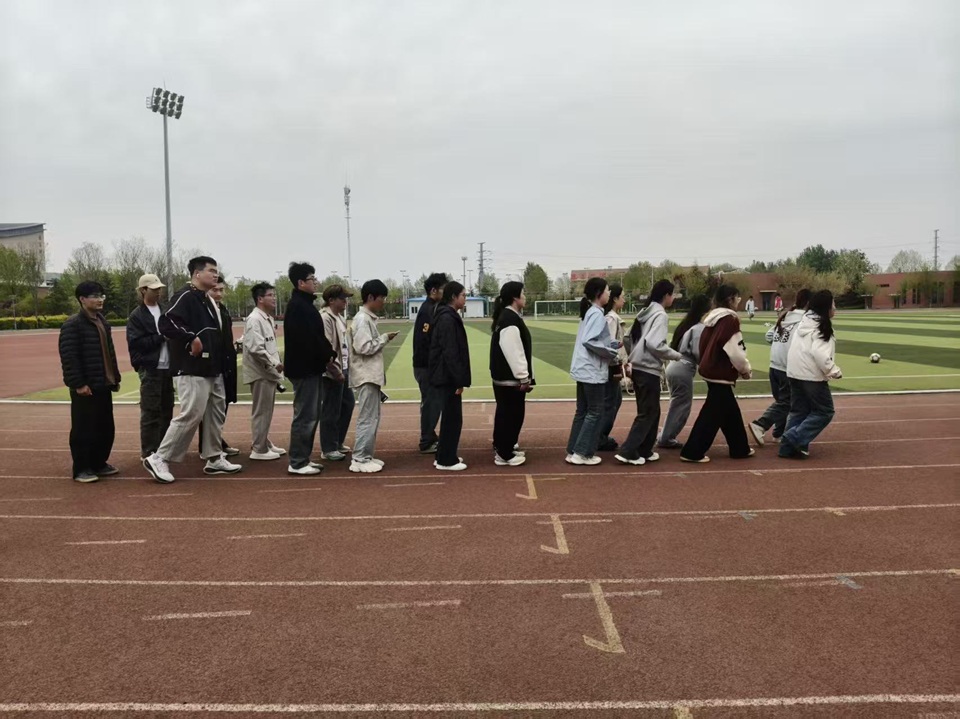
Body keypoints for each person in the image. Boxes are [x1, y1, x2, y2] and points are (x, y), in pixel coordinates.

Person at [142, 256, 241, 483]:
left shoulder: (207, 299)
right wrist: (190, 338)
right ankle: (159, 458)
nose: (215, 274)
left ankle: (214, 457)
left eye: (216, 271)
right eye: (211, 270)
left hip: (213, 368)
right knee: (191, 414)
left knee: (215, 413)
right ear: (197, 273)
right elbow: (167, 322)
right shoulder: (185, 296)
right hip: (192, 368)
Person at [679, 284, 754, 463]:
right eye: (737, 297)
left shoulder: (711, 319)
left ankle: (740, 447)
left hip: (710, 368)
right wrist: (745, 369)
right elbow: (736, 350)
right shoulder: (730, 320)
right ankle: (692, 451)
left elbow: (703, 344)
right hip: (720, 371)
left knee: (729, 410)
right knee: (712, 413)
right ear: (730, 299)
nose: (739, 301)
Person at [614, 280, 683, 465]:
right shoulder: (660, 315)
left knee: (652, 410)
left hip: (638, 367)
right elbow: (655, 344)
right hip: (648, 369)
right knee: (648, 412)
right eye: (673, 294)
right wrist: (676, 355)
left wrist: (634, 354)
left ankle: (645, 449)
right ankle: (628, 450)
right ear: (666, 295)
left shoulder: (644, 313)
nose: (674, 298)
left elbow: (627, 337)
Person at [59, 280, 121, 482]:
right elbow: (69, 357)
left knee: (105, 428)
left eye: (101, 295)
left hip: (103, 383)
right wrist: (78, 383)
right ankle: (82, 468)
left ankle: (98, 463)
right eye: (94, 296)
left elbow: (109, 353)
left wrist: (114, 377)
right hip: (86, 385)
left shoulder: (103, 322)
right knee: (84, 429)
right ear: (82, 299)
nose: (100, 299)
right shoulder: (73, 325)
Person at [284, 262, 338, 476]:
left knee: (311, 415)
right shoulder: (298, 307)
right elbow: (309, 340)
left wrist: (327, 353)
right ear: (300, 282)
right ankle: (297, 462)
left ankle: (303, 458)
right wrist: (327, 354)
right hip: (303, 369)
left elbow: (316, 337)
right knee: (305, 416)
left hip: (311, 368)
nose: (316, 282)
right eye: (312, 279)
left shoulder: (305, 305)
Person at [779, 290, 843, 459]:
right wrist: (834, 371)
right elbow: (820, 354)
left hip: (794, 372)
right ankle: (793, 438)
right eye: (833, 304)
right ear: (826, 307)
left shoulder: (804, 322)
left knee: (798, 411)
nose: (835, 308)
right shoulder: (822, 327)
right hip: (811, 376)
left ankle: (786, 448)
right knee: (824, 411)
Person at [565, 278, 619, 466]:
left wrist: (612, 344)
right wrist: (611, 352)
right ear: (598, 293)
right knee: (595, 412)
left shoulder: (590, 312)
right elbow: (590, 340)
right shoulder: (596, 314)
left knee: (582, 411)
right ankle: (582, 453)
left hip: (583, 369)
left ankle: (573, 450)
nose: (609, 294)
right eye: (607, 290)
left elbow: (594, 340)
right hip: (592, 371)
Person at [748, 289, 810, 446]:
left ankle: (778, 433)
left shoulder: (786, 316)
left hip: (774, 366)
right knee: (787, 403)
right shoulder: (804, 320)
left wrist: (780, 344)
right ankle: (760, 425)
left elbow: (769, 336)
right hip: (787, 368)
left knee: (782, 403)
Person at [349, 279, 399, 473]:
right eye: (382, 298)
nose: (383, 302)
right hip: (366, 375)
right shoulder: (363, 319)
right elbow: (363, 347)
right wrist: (384, 338)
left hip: (370, 375)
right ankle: (360, 458)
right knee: (367, 418)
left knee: (372, 417)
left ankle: (366, 455)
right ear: (370, 297)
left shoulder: (367, 319)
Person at [126, 273, 174, 460]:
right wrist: (161, 337)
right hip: (150, 368)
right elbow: (136, 343)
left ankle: (163, 448)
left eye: (159, 289)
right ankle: (149, 451)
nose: (158, 292)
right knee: (150, 411)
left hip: (168, 368)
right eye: (154, 289)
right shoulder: (137, 316)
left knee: (167, 410)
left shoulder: (165, 310)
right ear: (143, 290)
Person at [657, 293, 711, 449]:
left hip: (675, 366)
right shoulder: (698, 328)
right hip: (683, 368)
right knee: (682, 407)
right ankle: (666, 438)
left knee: (677, 404)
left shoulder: (686, 325)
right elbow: (698, 353)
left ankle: (665, 436)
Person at [489, 281, 533, 467]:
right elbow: (514, 351)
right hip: (509, 379)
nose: (525, 296)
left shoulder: (507, 317)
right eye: (523, 293)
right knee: (511, 415)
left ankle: (504, 447)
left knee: (507, 413)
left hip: (505, 378)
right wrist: (523, 376)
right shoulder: (509, 320)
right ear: (515, 297)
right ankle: (504, 453)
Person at [430, 281, 471, 471]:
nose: (465, 298)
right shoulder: (447, 318)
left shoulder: (447, 316)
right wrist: (458, 380)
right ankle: (446, 460)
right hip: (447, 377)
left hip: (445, 375)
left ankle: (443, 455)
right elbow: (450, 352)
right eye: (463, 295)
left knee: (450, 417)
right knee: (452, 418)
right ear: (454, 297)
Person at [242, 282, 287, 460]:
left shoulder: (266, 318)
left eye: (274, 295)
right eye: (270, 295)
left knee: (266, 410)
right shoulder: (255, 319)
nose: (274, 298)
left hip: (267, 372)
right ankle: (258, 449)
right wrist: (275, 364)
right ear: (260, 299)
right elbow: (256, 348)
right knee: (261, 411)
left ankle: (263, 441)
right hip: (261, 372)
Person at [199, 275, 239, 456]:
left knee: (221, 406)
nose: (219, 293)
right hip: (209, 366)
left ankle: (215, 441)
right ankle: (207, 446)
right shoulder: (203, 311)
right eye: (215, 290)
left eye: (221, 290)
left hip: (225, 364)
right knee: (205, 409)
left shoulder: (222, 310)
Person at [319, 284, 355, 461]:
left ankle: (337, 441)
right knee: (331, 409)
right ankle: (328, 448)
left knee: (347, 404)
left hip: (343, 367)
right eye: (342, 299)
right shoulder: (325, 318)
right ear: (331, 300)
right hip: (332, 371)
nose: (345, 302)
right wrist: (334, 370)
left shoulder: (339, 318)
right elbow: (326, 347)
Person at [413, 273, 447, 453]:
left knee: (433, 402)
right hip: (426, 366)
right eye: (443, 289)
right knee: (431, 403)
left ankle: (430, 436)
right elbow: (424, 340)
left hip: (427, 365)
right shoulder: (428, 310)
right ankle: (426, 440)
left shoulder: (433, 307)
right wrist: (434, 365)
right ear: (434, 290)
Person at [597, 284, 628, 452]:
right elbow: (608, 343)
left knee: (614, 400)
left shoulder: (611, 317)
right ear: (615, 299)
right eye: (622, 296)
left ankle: (601, 435)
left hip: (611, 365)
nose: (624, 299)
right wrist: (617, 361)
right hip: (611, 366)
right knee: (611, 402)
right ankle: (600, 437)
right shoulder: (611, 319)